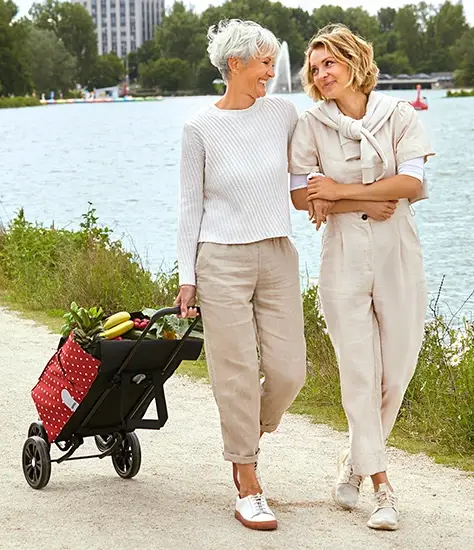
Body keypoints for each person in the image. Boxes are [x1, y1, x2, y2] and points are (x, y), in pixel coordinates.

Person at [289, 23, 434, 532]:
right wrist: (370, 195)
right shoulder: (310, 126)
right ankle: (383, 488)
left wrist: (341, 192)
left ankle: (353, 461)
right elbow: (301, 197)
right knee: (359, 373)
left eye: (329, 63)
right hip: (342, 254)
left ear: (353, 61)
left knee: (395, 373)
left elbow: (412, 185)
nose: (321, 74)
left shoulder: (396, 116)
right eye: (314, 67)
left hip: (398, 251)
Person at [174, 19, 307, 531]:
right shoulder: (199, 127)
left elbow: (311, 158)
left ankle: (248, 432)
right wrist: (189, 276)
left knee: (289, 370)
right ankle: (247, 482)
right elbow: (190, 206)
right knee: (234, 375)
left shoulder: (283, 114)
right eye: (265, 63)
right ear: (235, 65)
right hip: (220, 260)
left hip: (276, 253)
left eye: (274, 63)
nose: (272, 73)